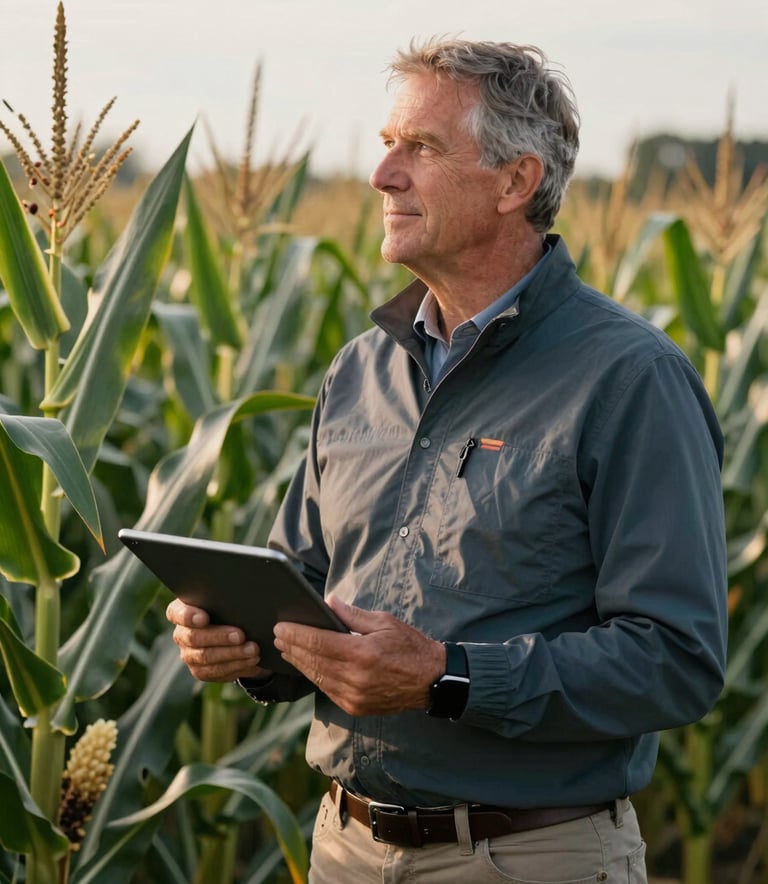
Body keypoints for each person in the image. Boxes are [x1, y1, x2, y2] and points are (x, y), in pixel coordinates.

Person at [167, 38, 728, 883]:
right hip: (344, 848)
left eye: (420, 148)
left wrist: (447, 676)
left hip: (532, 857)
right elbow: (307, 585)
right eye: (387, 142)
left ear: (515, 182)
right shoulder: (359, 370)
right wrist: (245, 643)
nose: (382, 174)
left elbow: (676, 661)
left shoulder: (629, 378)